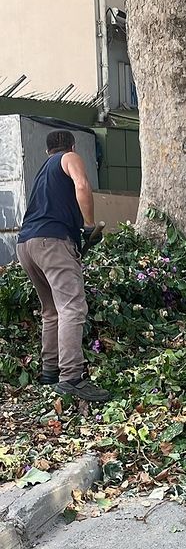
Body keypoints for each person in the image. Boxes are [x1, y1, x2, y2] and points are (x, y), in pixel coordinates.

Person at [16, 130, 110, 402]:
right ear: (71, 145)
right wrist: (89, 225)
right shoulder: (69, 157)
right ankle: (71, 378)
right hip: (52, 242)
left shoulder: (43, 171)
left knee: (51, 311)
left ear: (47, 151)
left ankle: (49, 371)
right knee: (72, 307)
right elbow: (82, 185)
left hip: (26, 245)